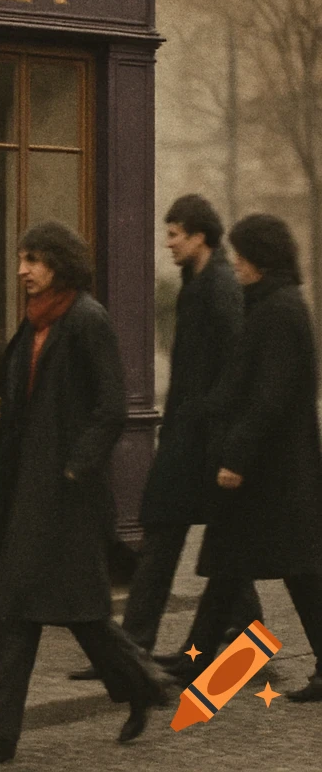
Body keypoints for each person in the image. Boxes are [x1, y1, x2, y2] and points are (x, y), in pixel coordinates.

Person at [0, 222, 168, 768]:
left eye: (35, 259)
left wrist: (74, 469)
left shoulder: (87, 320)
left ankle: (0, 732)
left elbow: (113, 407)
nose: (22, 269)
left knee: (70, 611)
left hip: (68, 497)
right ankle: (3, 731)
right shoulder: (33, 325)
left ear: (61, 264)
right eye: (21, 258)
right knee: (31, 608)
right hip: (27, 493)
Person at [70, 194, 261, 680]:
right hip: (186, 434)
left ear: (199, 236)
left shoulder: (218, 286)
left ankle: (244, 643)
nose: (168, 243)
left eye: (175, 233)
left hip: (205, 438)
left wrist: (215, 423)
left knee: (215, 540)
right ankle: (136, 649)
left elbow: (237, 365)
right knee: (170, 534)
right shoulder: (197, 282)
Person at [167, 214, 322, 700]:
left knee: (293, 572)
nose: (235, 261)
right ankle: (195, 662)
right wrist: (200, 412)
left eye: (241, 253)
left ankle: (195, 665)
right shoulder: (270, 306)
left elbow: (269, 399)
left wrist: (234, 456)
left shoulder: (280, 310)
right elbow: (242, 386)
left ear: (260, 259)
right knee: (236, 566)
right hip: (269, 472)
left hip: (270, 474)